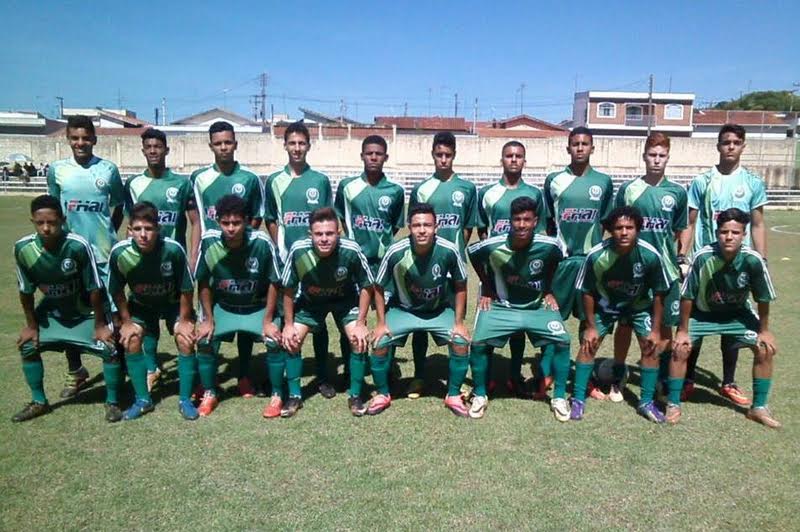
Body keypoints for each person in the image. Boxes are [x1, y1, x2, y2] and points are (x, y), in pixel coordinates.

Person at [12, 194, 122, 422]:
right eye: (40, 223)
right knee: (28, 346)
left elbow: (95, 288)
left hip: (85, 312)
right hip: (54, 312)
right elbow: (25, 292)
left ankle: (112, 402)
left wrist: (100, 325)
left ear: (62, 220)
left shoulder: (77, 245)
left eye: (52, 222)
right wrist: (31, 326)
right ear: (33, 221)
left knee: (109, 347)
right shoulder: (23, 249)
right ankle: (39, 402)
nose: (46, 228)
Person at [681, 124, 769, 406]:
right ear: (718, 146)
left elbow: (758, 224)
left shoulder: (753, 183)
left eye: (736, 142)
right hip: (705, 263)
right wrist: (683, 256)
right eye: (726, 142)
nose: (731, 146)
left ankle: (728, 382)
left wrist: (762, 259)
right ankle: (687, 379)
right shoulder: (703, 181)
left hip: (738, 263)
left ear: (743, 146)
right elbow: (690, 222)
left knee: (733, 317)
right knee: (696, 319)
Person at [671, 208, 778, 427]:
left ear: (744, 235)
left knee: (765, 348)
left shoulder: (753, 260)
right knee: (680, 348)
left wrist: (764, 330)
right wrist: (682, 330)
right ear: (716, 233)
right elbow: (687, 296)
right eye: (724, 232)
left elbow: (763, 297)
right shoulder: (703, 257)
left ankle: (758, 408)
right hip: (702, 314)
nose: (729, 237)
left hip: (738, 315)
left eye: (735, 232)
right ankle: (673, 403)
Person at [467, 197, 571, 421]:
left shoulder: (550, 245)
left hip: (536, 306)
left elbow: (556, 261)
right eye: (517, 219)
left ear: (535, 221)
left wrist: (548, 289)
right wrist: (487, 287)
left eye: (527, 219)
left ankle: (559, 397)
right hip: (501, 306)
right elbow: (473, 254)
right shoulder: (492, 245)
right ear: (510, 221)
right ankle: (480, 394)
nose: (521, 225)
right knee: (477, 344)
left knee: (563, 341)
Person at [47, 115, 125, 399]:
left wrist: (107, 234)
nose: (80, 143)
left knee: (112, 311)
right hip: (71, 255)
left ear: (94, 139)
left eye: (85, 138)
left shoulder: (108, 169)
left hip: (103, 254)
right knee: (72, 312)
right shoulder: (57, 170)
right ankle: (76, 370)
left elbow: (119, 205)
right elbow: (54, 208)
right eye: (75, 138)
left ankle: (119, 364)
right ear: (68, 139)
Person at [571, 206, 671, 423]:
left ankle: (646, 402)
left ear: (638, 229)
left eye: (629, 227)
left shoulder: (649, 255)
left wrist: (655, 330)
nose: (624, 232)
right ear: (610, 230)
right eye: (618, 228)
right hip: (605, 306)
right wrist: (591, 326)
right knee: (589, 345)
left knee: (650, 347)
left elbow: (659, 293)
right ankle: (578, 399)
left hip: (638, 305)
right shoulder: (597, 255)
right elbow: (586, 291)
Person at [369, 202, 469, 417]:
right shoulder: (396, 251)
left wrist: (459, 323)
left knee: (460, 341)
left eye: (427, 225)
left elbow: (461, 284)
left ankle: (453, 394)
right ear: (409, 227)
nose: (422, 230)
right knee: (379, 342)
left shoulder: (449, 250)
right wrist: (380, 323)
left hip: (438, 310)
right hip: (404, 310)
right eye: (416, 225)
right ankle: (383, 394)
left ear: (436, 227)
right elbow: (377, 285)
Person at [611, 133, 687, 402]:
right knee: (625, 324)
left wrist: (680, 257)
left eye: (661, 156)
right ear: (644, 156)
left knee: (664, 327)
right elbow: (616, 226)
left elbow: (680, 229)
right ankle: (619, 373)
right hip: (632, 271)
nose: (656, 160)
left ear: (668, 157)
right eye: (652, 155)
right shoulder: (629, 189)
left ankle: (659, 379)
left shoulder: (677, 192)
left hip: (665, 271)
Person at [190, 121, 265, 397]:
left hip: (242, 258)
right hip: (212, 257)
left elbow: (257, 216)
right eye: (218, 143)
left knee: (244, 313)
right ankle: (206, 380)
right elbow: (196, 220)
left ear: (235, 144)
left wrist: (241, 245)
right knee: (209, 318)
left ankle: (244, 375)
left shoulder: (250, 179)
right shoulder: (198, 178)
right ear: (211, 146)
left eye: (228, 142)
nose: (223, 147)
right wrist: (194, 253)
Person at [194, 195, 285, 417]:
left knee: (273, 340)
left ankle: (276, 394)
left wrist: (268, 320)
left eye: (236, 223)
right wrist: (208, 319)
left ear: (246, 221)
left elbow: (275, 282)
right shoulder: (209, 241)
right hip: (225, 306)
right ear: (218, 221)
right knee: (204, 339)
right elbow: (203, 281)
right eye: (226, 223)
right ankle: (209, 392)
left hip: (256, 307)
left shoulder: (261, 242)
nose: (231, 228)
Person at [539, 127, 613, 400]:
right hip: (562, 262)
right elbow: (548, 222)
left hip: (591, 263)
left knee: (589, 321)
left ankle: (586, 377)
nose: (580, 148)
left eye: (585, 144)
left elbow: (606, 221)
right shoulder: (554, 180)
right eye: (575, 144)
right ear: (568, 148)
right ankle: (546, 374)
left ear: (593, 148)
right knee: (552, 319)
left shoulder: (603, 182)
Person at [265, 122, 337, 398]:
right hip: (288, 261)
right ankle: (284, 374)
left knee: (317, 320)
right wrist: (281, 248)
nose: (297, 148)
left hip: (316, 261)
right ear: (285, 145)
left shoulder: (319, 181)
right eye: (292, 143)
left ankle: (322, 376)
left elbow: (328, 219)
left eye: (301, 143)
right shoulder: (274, 181)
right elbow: (271, 219)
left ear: (309, 145)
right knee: (286, 317)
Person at [123, 128, 199, 388]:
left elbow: (195, 222)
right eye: (149, 147)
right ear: (143, 150)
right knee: (147, 315)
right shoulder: (133, 184)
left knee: (179, 320)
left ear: (166, 150)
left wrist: (192, 256)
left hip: (173, 265)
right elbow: (130, 225)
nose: (153, 151)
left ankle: (189, 373)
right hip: (144, 264)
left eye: (158, 146)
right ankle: (151, 368)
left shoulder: (181, 184)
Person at [279, 207, 373, 417]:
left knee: (358, 340)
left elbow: (367, 285)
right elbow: (288, 289)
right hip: (311, 303)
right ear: (310, 234)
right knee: (292, 339)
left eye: (329, 233)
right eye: (318, 234)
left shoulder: (351, 250)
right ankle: (294, 395)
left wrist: (361, 323)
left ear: (338, 232)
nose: (324, 239)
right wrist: (288, 324)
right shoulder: (299, 250)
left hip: (345, 301)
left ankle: (355, 395)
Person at [107, 202, 196, 420]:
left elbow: (186, 288)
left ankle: (185, 400)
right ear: (129, 230)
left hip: (172, 303)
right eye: (137, 229)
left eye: (148, 229)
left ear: (158, 229)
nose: (143, 235)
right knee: (131, 339)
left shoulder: (173, 250)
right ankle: (143, 400)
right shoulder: (120, 253)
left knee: (185, 339)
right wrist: (126, 322)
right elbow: (116, 291)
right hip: (141, 306)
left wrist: (185, 320)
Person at [407, 131, 477, 398]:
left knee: (455, 321)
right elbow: (414, 225)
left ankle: (453, 378)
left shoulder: (467, 188)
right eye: (439, 154)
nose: (443, 159)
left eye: (448, 155)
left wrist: (453, 252)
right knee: (420, 321)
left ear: (454, 155)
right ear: (433, 155)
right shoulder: (422, 189)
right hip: (424, 267)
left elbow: (467, 227)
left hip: (453, 267)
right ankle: (419, 376)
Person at [476, 140, 547, 397]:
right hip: (495, 271)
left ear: (524, 161)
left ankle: (514, 376)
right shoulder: (487, 193)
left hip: (523, 271)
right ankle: (487, 378)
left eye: (518, 156)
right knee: (487, 323)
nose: (513, 160)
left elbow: (540, 233)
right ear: (502, 160)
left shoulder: (535, 194)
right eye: (509, 156)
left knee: (519, 325)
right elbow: (483, 232)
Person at [334, 134, 405, 276]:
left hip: (383, 259)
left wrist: (381, 241)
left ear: (386, 157)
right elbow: (342, 217)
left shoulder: (395, 190)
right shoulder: (346, 186)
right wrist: (351, 237)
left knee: (382, 291)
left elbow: (395, 225)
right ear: (362, 156)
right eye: (369, 153)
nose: (373, 157)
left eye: (378, 154)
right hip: (354, 257)